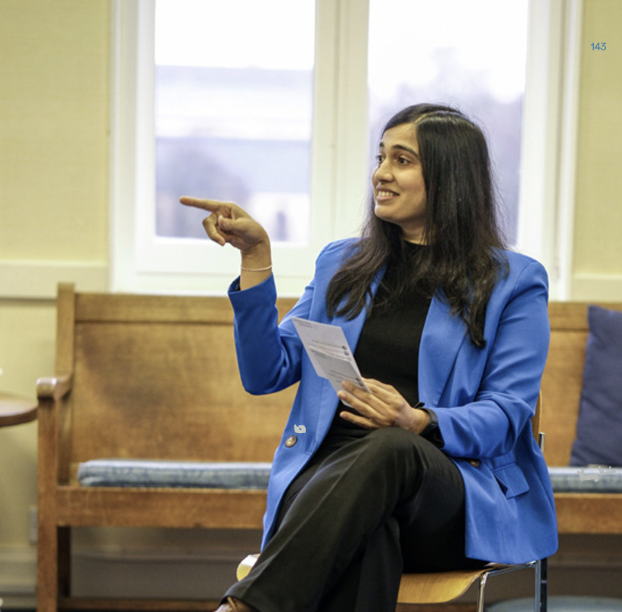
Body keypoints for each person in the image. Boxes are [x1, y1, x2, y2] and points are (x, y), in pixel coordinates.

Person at [180, 103, 558, 612]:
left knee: (391, 448)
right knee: (370, 531)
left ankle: (243, 608)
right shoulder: (342, 263)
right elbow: (266, 372)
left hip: (444, 495)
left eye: (402, 160)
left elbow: (507, 414)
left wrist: (418, 421)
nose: (380, 173)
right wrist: (255, 259)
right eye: (381, 158)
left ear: (449, 176)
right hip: (327, 487)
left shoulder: (514, 282)